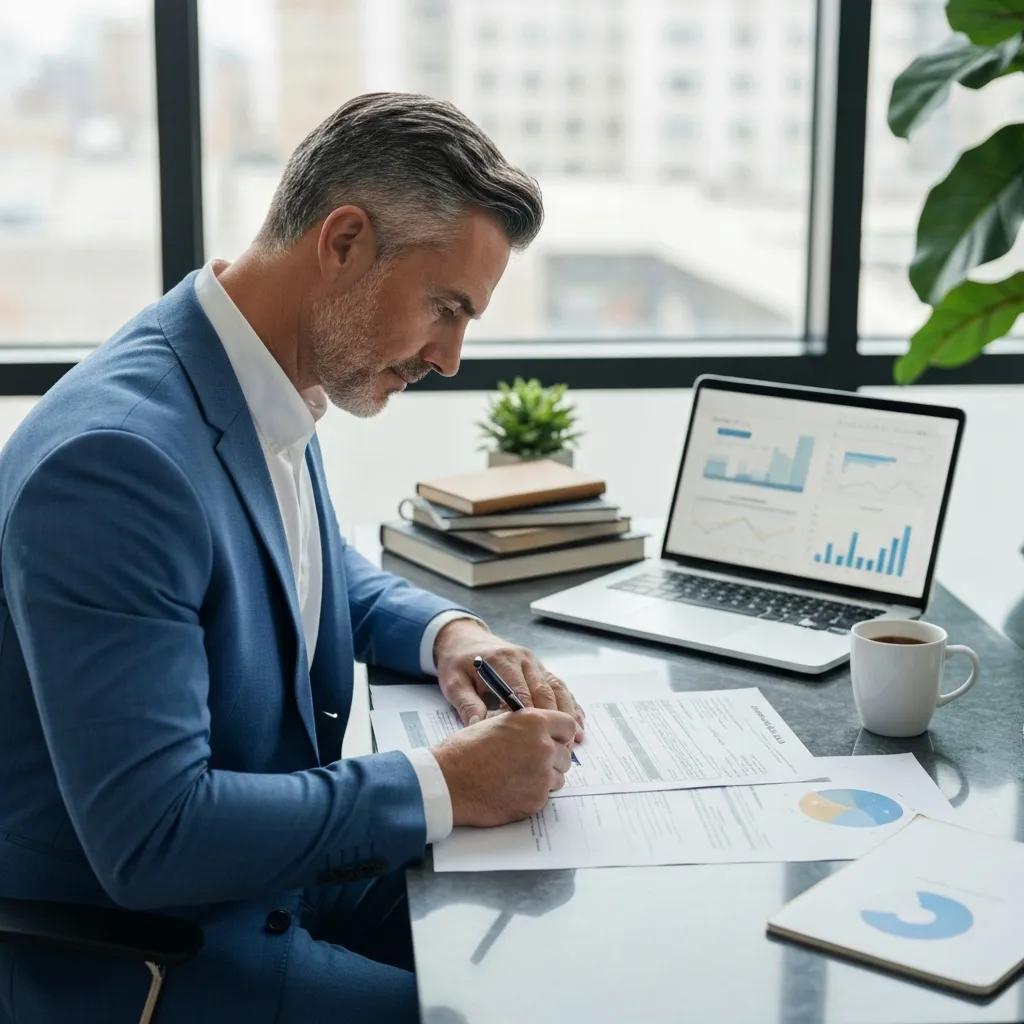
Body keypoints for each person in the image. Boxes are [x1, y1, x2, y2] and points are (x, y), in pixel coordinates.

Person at [0, 92, 585, 1023]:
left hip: (277, 875)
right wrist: (445, 782)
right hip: (156, 949)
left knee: (571, 949)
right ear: (345, 241)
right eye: (446, 307)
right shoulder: (115, 464)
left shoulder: (257, 371)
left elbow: (302, 568)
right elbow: (155, 836)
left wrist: (446, 632)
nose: (452, 356)